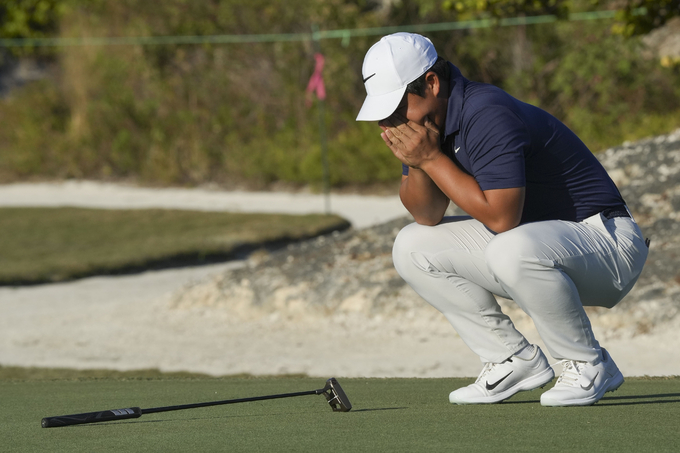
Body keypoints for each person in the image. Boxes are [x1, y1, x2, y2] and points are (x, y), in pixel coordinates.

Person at [356, 32, 649, 406]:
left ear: (432, 83)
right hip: (540, 246)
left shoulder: (485, 111)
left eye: (397, 107)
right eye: (385, 112)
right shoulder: (428, 125)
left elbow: (502, 217)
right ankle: (512, 359)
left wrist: (430, 159)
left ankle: (589, 364)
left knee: (509, 247)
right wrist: (419, 162)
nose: (392, 121)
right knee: (411, 245)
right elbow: (426, 214)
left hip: (608, 243)